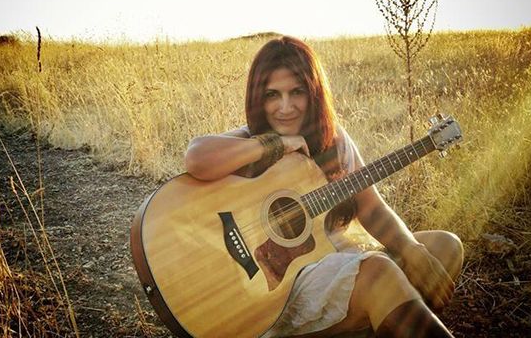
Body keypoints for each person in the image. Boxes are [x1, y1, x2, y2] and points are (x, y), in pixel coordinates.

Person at [184, 36, 464, 338]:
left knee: (443, 248)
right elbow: (197, 156)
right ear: (258, 98)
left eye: (297, 92)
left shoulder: (335, 142)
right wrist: (275, 144)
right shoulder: (253, 140)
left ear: (314, 93)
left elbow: (371, 207)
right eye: (272, 95)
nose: (285, 107)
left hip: (328, 260)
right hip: (277, 290)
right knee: (379, 274)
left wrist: (411, 248)